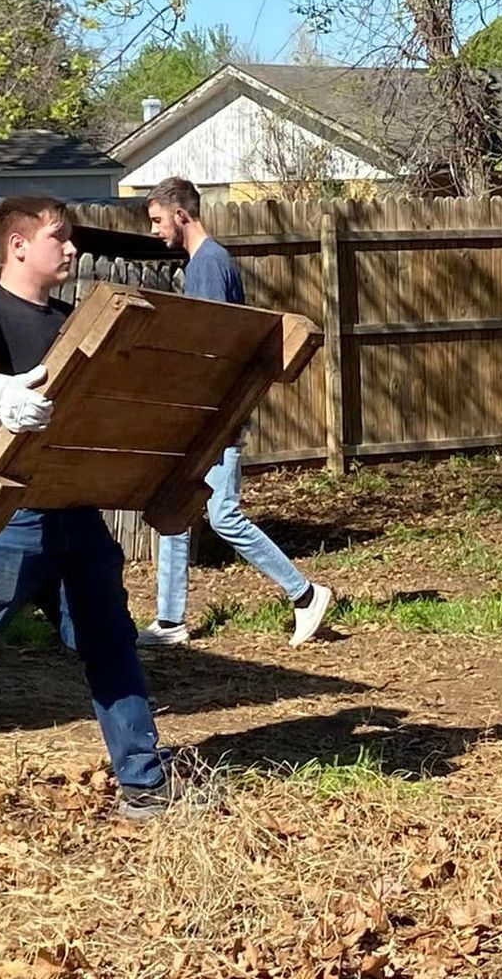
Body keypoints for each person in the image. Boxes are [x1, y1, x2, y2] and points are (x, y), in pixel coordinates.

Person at [0, 195, 190, 818]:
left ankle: (142, 783)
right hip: (3, 514)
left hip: (72, 506)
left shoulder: (71, 321)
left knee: (109, 639)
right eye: (60, 237)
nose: (73, 248)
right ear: (18, 245)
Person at [138, 176, 333, 649]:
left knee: (223, 515)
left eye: (158, 221)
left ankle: (305, 594)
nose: (155, 231)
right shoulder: (209, 261)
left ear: (181, 215)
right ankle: (170, 620)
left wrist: (195, 410)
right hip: (209, 412)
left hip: (216, 415)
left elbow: (211, 350)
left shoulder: (208, 265)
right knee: (175, 508)